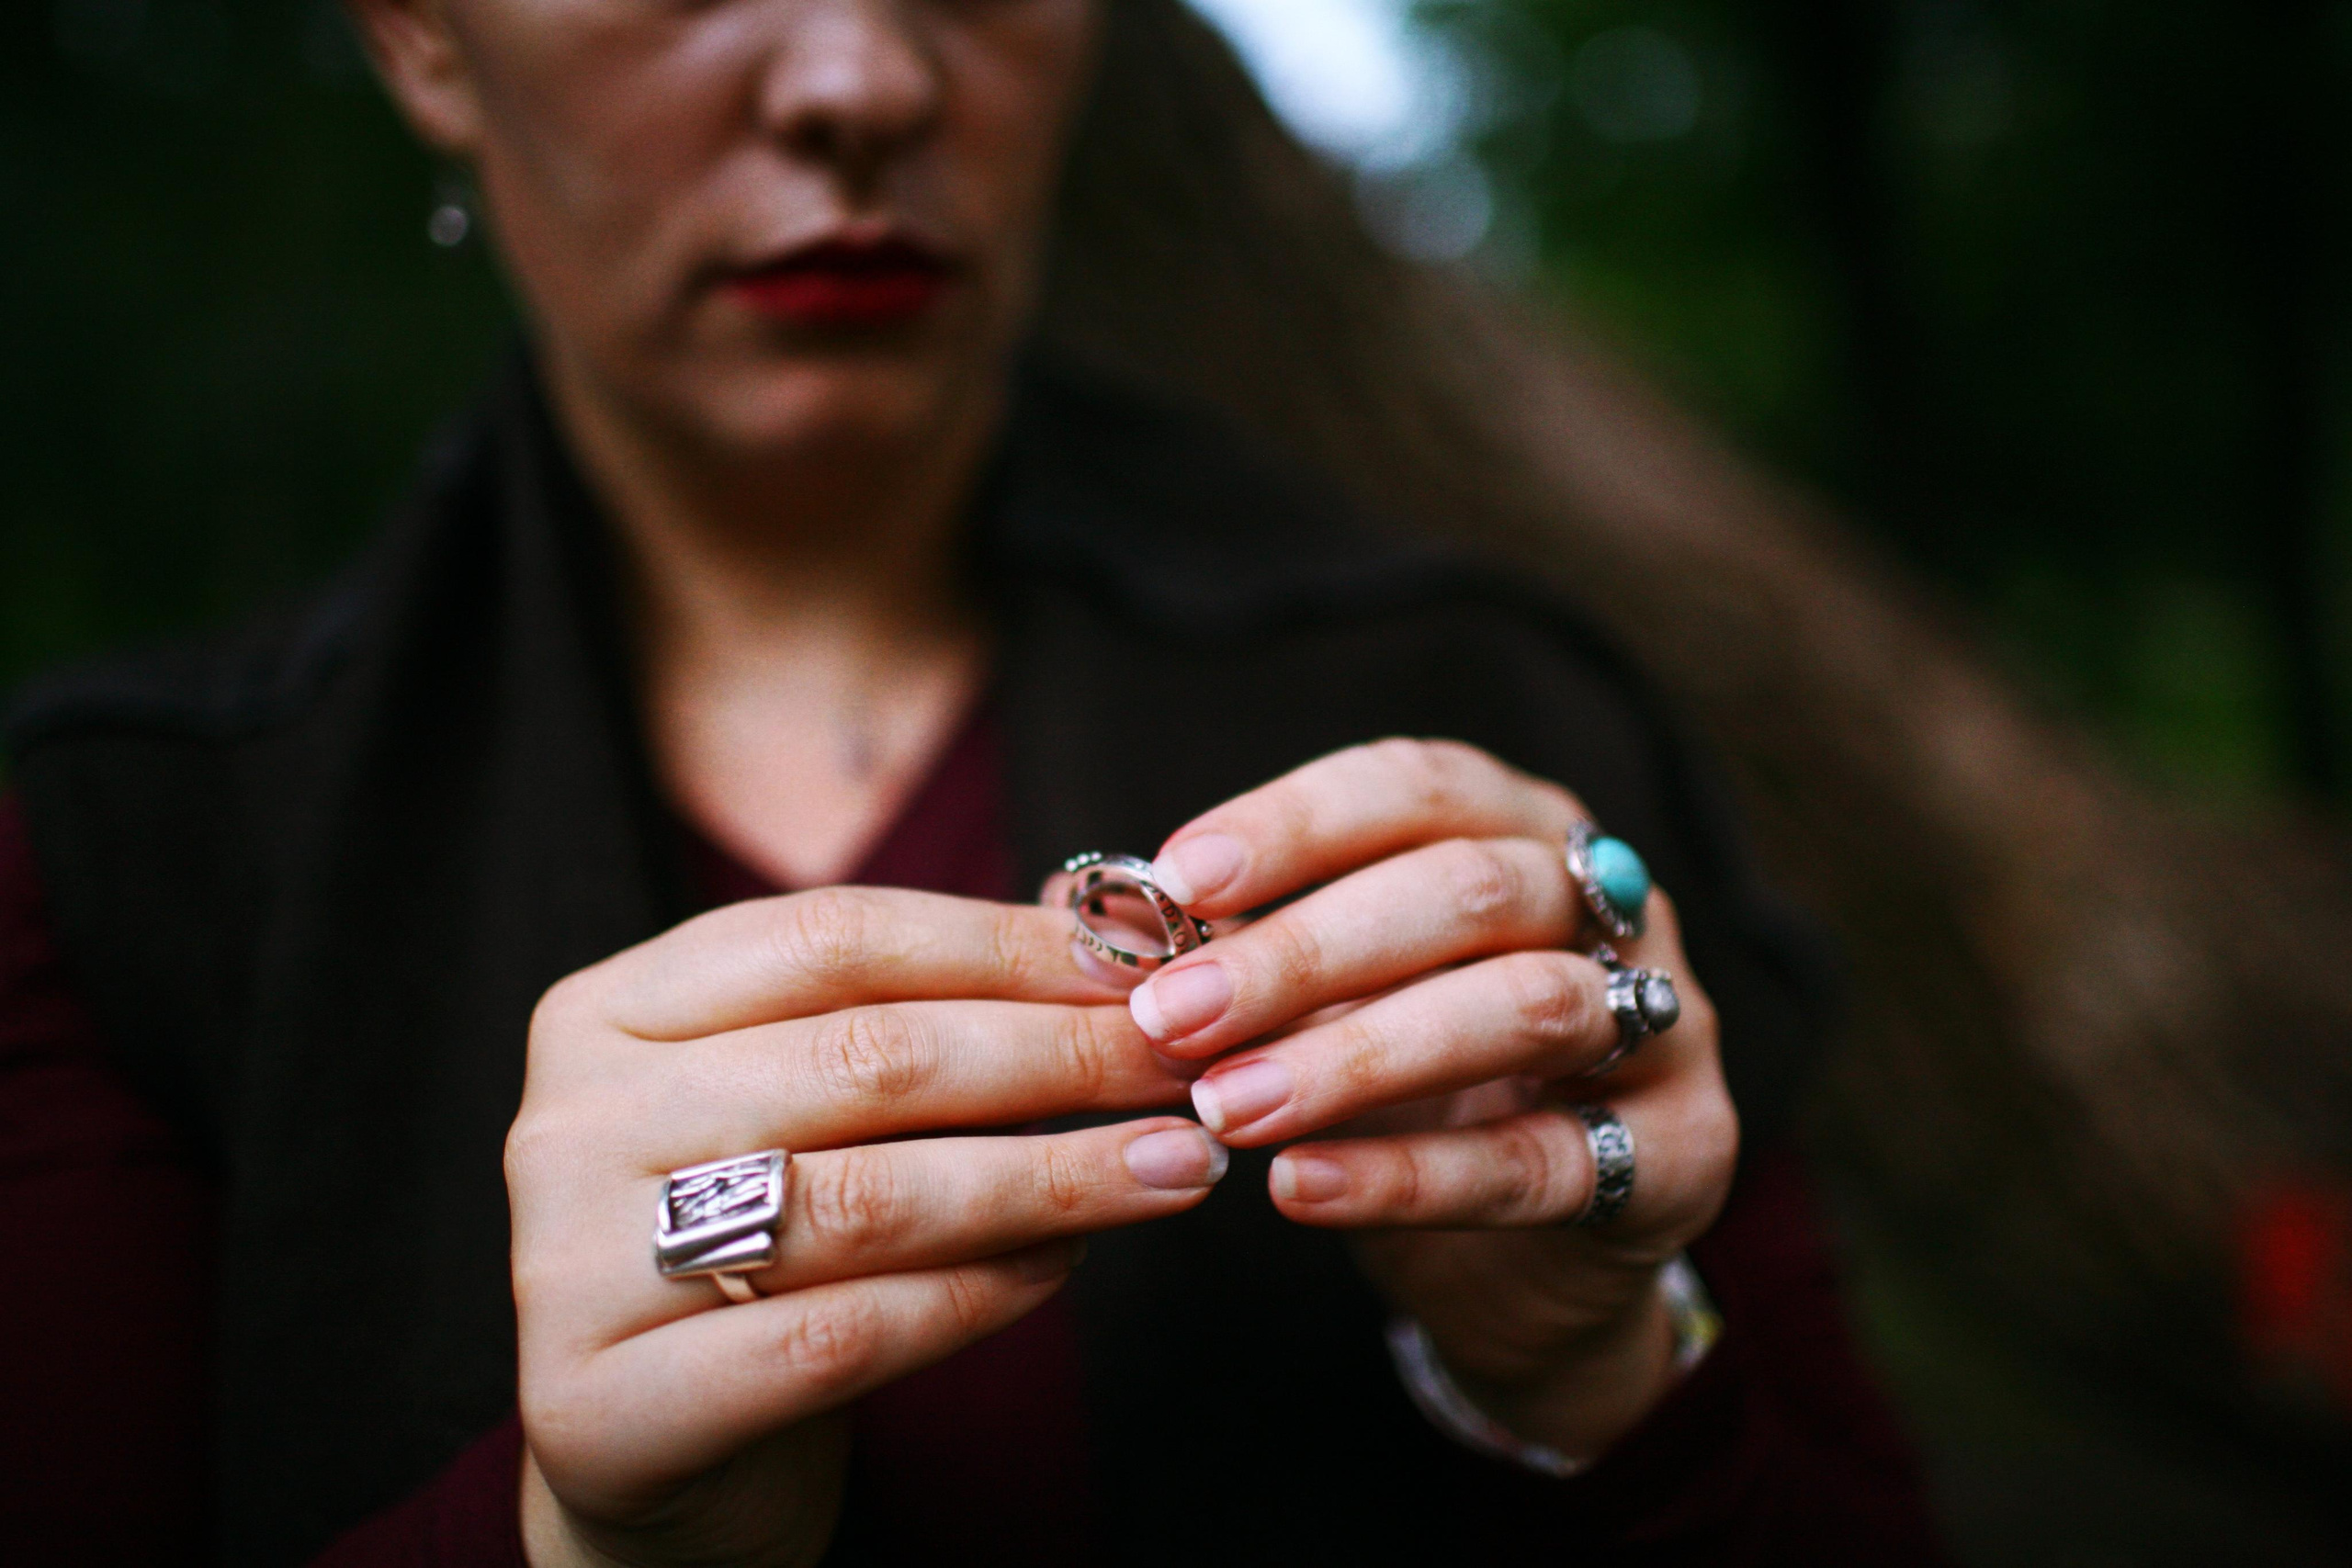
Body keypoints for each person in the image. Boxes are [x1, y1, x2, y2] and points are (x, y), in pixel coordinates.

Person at [0, 1, 1944, 1563]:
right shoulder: (126, 847)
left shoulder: (1477, 708)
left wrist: (1590, 1364)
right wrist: (572, 1538)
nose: (859, 76)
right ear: (422, 37)